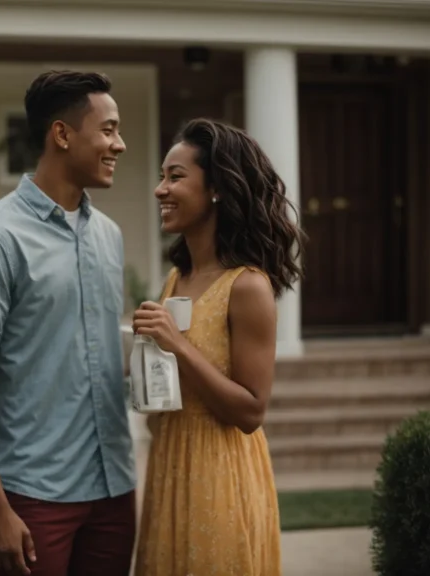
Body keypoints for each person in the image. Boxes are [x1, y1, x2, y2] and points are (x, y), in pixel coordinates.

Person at [0, 70, 137, 576]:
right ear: (62, 134)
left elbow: (86, 347)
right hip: (35, 496)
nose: (121, 143)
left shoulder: (109, 236)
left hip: (114, 488)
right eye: (110, 129)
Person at [132, 118, 307, 575]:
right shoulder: (178, 278)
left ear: (217, 189)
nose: (160, 190)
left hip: (220, 475)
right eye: (161, 176)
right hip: (171, 463)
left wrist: (176, 344)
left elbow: (251, 412)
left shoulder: (247, 286)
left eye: (175, 176)